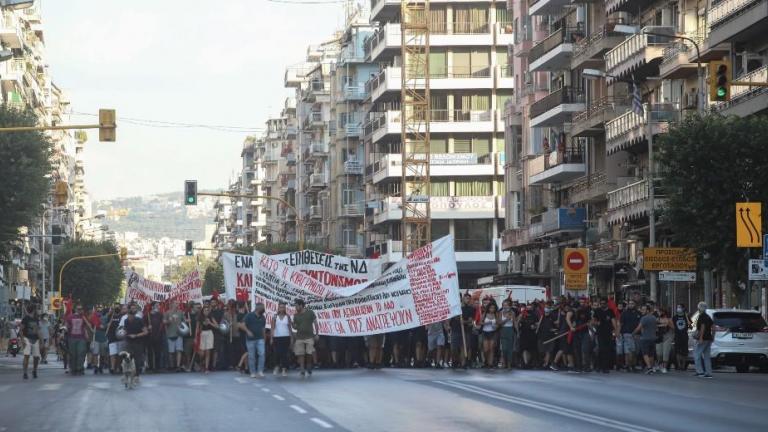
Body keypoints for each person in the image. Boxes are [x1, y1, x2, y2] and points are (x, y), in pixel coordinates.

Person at [292, 298, 318, 378]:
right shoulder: (295, 315)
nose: (295, 308)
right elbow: (295, 327)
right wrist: (292, 324)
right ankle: (302, 369)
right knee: (300, 354)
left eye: (296, 306)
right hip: (299, 337)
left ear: (301, 305)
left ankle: (309, 365)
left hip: (309, 336)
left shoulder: (310, 312)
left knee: (309, 353)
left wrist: (317, 334)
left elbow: (315, 323)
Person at [66, 305, 93, 375]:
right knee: (73, 354)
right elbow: (66, 325)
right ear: (76, 309)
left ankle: (80, 368)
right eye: (79, 309)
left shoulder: (83, 317)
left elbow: (87, 326)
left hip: (81, 338)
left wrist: (87, 334)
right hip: (72, 338)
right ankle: (73, 368)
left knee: (81, 353)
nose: (80, 310)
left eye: (81, 309)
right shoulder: (70, 317)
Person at [124, 303, 148, 379]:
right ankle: (129, 373)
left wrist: (136, 335)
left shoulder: (139, 320)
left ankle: (137, 374)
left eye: (131, 316)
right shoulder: (125, 321)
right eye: (128, 315)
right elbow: (125, 331)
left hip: (138, 342)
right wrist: (123, 333)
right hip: (128, 342)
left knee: (138, 359)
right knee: (128, 358)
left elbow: (145, 332)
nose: (129, 317)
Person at [243, 302, 267, 378]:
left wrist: (264, 338)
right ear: (258, 308)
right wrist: (247, 331)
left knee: (262, 354)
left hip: (260, 339)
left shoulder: (263, 317)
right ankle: (252, 372)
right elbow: (241, 324)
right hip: (250, 339)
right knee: (251, 356)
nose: (264, 309)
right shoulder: (249, 315)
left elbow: (263, 328)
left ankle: (260, 371)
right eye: (262, 308)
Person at [593, 298, 617, 373]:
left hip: (608, 333)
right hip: (600, 333)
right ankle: (598, 366)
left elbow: (613, 321)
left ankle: (605, 367)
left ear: (607, 303)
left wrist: (615, 330)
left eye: (604, 303)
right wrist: (597, 323)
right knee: (601, 349)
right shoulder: (597, 311)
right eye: (601, 303)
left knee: (607, 350)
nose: (602, 305)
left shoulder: (610, 311)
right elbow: (593, 320)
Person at [617, 300, 641, 371]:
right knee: (629, 350)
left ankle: (633, 364)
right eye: (629, 304)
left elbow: (641, 324)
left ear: (635, 304)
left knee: (635, 350)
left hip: (637, 334)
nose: (631, 305)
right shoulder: (624, 313)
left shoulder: (638, 313)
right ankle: (628, 365)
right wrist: (618, 332)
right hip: (627, 333)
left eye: (632, 304)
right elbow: (620, 323)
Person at [634, 304, 658, 374]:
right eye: (641, 309)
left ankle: (649, 367)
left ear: (647, 311)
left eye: (643, 310)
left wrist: (633, 333)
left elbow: (639, 328)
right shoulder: (654, 318)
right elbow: (656, 328)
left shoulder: (644, 318)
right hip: (653, 338)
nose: (642, 311)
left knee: (645, 353)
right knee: (651, 354)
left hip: (645, 338)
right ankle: (651, 367)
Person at [271, 302, 293, 376]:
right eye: (280, 307)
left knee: (285, 353)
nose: (282, 309)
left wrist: (291, 338)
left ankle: (284, 369)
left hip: (286, 337)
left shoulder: (288, 317)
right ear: (278, 308)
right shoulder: (275, 317)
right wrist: (271, 338)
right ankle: (276, 367)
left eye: (283, 307)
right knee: (277, 353)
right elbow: (272, 328)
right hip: (277, 337)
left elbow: (290, 328)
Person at [693, 302, 713, 378]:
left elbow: (702, 327)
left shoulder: (702, 316)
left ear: (700, 308)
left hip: (703, 338)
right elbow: (713, 326)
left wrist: (701, 337)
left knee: (697, 354)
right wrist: (713, 336)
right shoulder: (708, 316)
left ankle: (700, 372)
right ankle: (708, 373)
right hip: (709, 338)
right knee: (707, 356)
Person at [21, 304, 41, 379]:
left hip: (35, 339)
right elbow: (20, 330)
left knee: (36, 357)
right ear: (34, 310)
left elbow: (38, 331)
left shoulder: (36, 319)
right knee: (27, 356)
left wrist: (41, 340)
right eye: (36, 309)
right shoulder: (26, 319)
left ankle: (34, 370)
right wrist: (22, 339)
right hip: (27, 338)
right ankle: (25, 372)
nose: (37, 311)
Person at [164, 302, 184, 372]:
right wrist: (168, 321)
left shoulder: (181, 312)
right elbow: (164, 322)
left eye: (177, 303)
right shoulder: (167, 313)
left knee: (179, 350)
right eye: (175, 303)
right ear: (171, 304)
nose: (177, 304)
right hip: (170, 334)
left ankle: (178, 366)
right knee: (171, 352)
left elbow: (184, 321)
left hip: (179, 334)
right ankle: (172, 366)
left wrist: (187, 321)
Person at [197, 304, 217, 373]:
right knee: (202, 353)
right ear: (202, 311)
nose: (206, 311)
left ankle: (206, 368)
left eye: (207, 310)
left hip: (209, 333)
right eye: (205, 310)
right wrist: (196, 337)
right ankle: (201, 362)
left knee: (208, 351)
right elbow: (197, 328)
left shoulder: (211, 317)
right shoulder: (200, 318)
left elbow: (217, 326)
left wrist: (210, 323)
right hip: (202, 333)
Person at [146, 302, 165, 372]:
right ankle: (151, 367)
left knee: (158, 352)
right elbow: (143, 324)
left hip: (158, 335)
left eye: (159, 305)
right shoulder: (147, 315)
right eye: (157, 305)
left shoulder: (160, 314)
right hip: (149, 336)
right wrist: (148, 327)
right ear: (152, 306)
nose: (159, 306)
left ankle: (157, 367)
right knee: (150, 352)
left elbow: (162, 324)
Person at [499, 299, 517, 369]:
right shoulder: (500, 312)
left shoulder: (513, 313)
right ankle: (504, 362)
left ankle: (509, 363)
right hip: (503, 330)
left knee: (510, 349)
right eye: (503, 305)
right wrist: (507, 319)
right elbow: (500, 323)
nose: (505, 307)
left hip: (510, 330)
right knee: (504, 348)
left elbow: (515, 322)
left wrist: (517, 331)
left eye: (506, 305)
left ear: (509, 306)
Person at [480, 302, 500, 368]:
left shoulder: (496, 314)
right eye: (491, 308)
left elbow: (498, 323)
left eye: (494, 308)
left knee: (491, 348)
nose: (492, 309)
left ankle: (490, 363)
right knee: (486, 349)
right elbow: (480, 322)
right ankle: (486, 360)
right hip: (485, 332)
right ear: (488, 308)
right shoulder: (485, 314)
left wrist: (496, 326)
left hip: (493, 332)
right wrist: (486, 323)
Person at [672, 304, 691, 371]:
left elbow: (690, 326)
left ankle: (683, 365)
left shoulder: (686, 316)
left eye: (680, 307)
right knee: (677, 351)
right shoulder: (675, 317)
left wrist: (686, 316)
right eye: (677, 307)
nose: (678, 308)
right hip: (677, 336)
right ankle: (679, 365)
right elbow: (672, 326)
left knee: (684, 351)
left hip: (684, 336)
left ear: (683, 308)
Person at [655, 307, 674, 373]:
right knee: (659, 353)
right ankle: (659, 364)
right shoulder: (657, 319)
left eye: (661, 312)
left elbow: (674, 328)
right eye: (658, 312)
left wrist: (668, 324)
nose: (659, 313)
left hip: (667, 337)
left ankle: (664, 367)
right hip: (659, 337)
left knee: (665, 353)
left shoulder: (669, 319)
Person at [106, 306, 122, 374]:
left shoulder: (121, 317)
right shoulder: (110, 316)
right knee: (112, 354)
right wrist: (108, 324)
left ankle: (118, 367)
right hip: (111, 337)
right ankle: (112, 367)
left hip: (119, 338)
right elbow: (106, 324)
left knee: (119, 354)